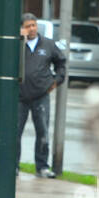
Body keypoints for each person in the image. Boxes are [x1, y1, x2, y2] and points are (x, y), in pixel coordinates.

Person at [17, 12, 65, 178]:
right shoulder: (17, 45)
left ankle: (42, 167)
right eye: (27, 26)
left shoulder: (48, 45)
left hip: (40, 96)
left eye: (33, 25)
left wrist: (55, 81)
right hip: (19, 97)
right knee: (15, 132)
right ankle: (13, 166)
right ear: (21, 28)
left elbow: (61, 63)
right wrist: (20, 41)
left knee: (43, 132)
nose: (31, 29)